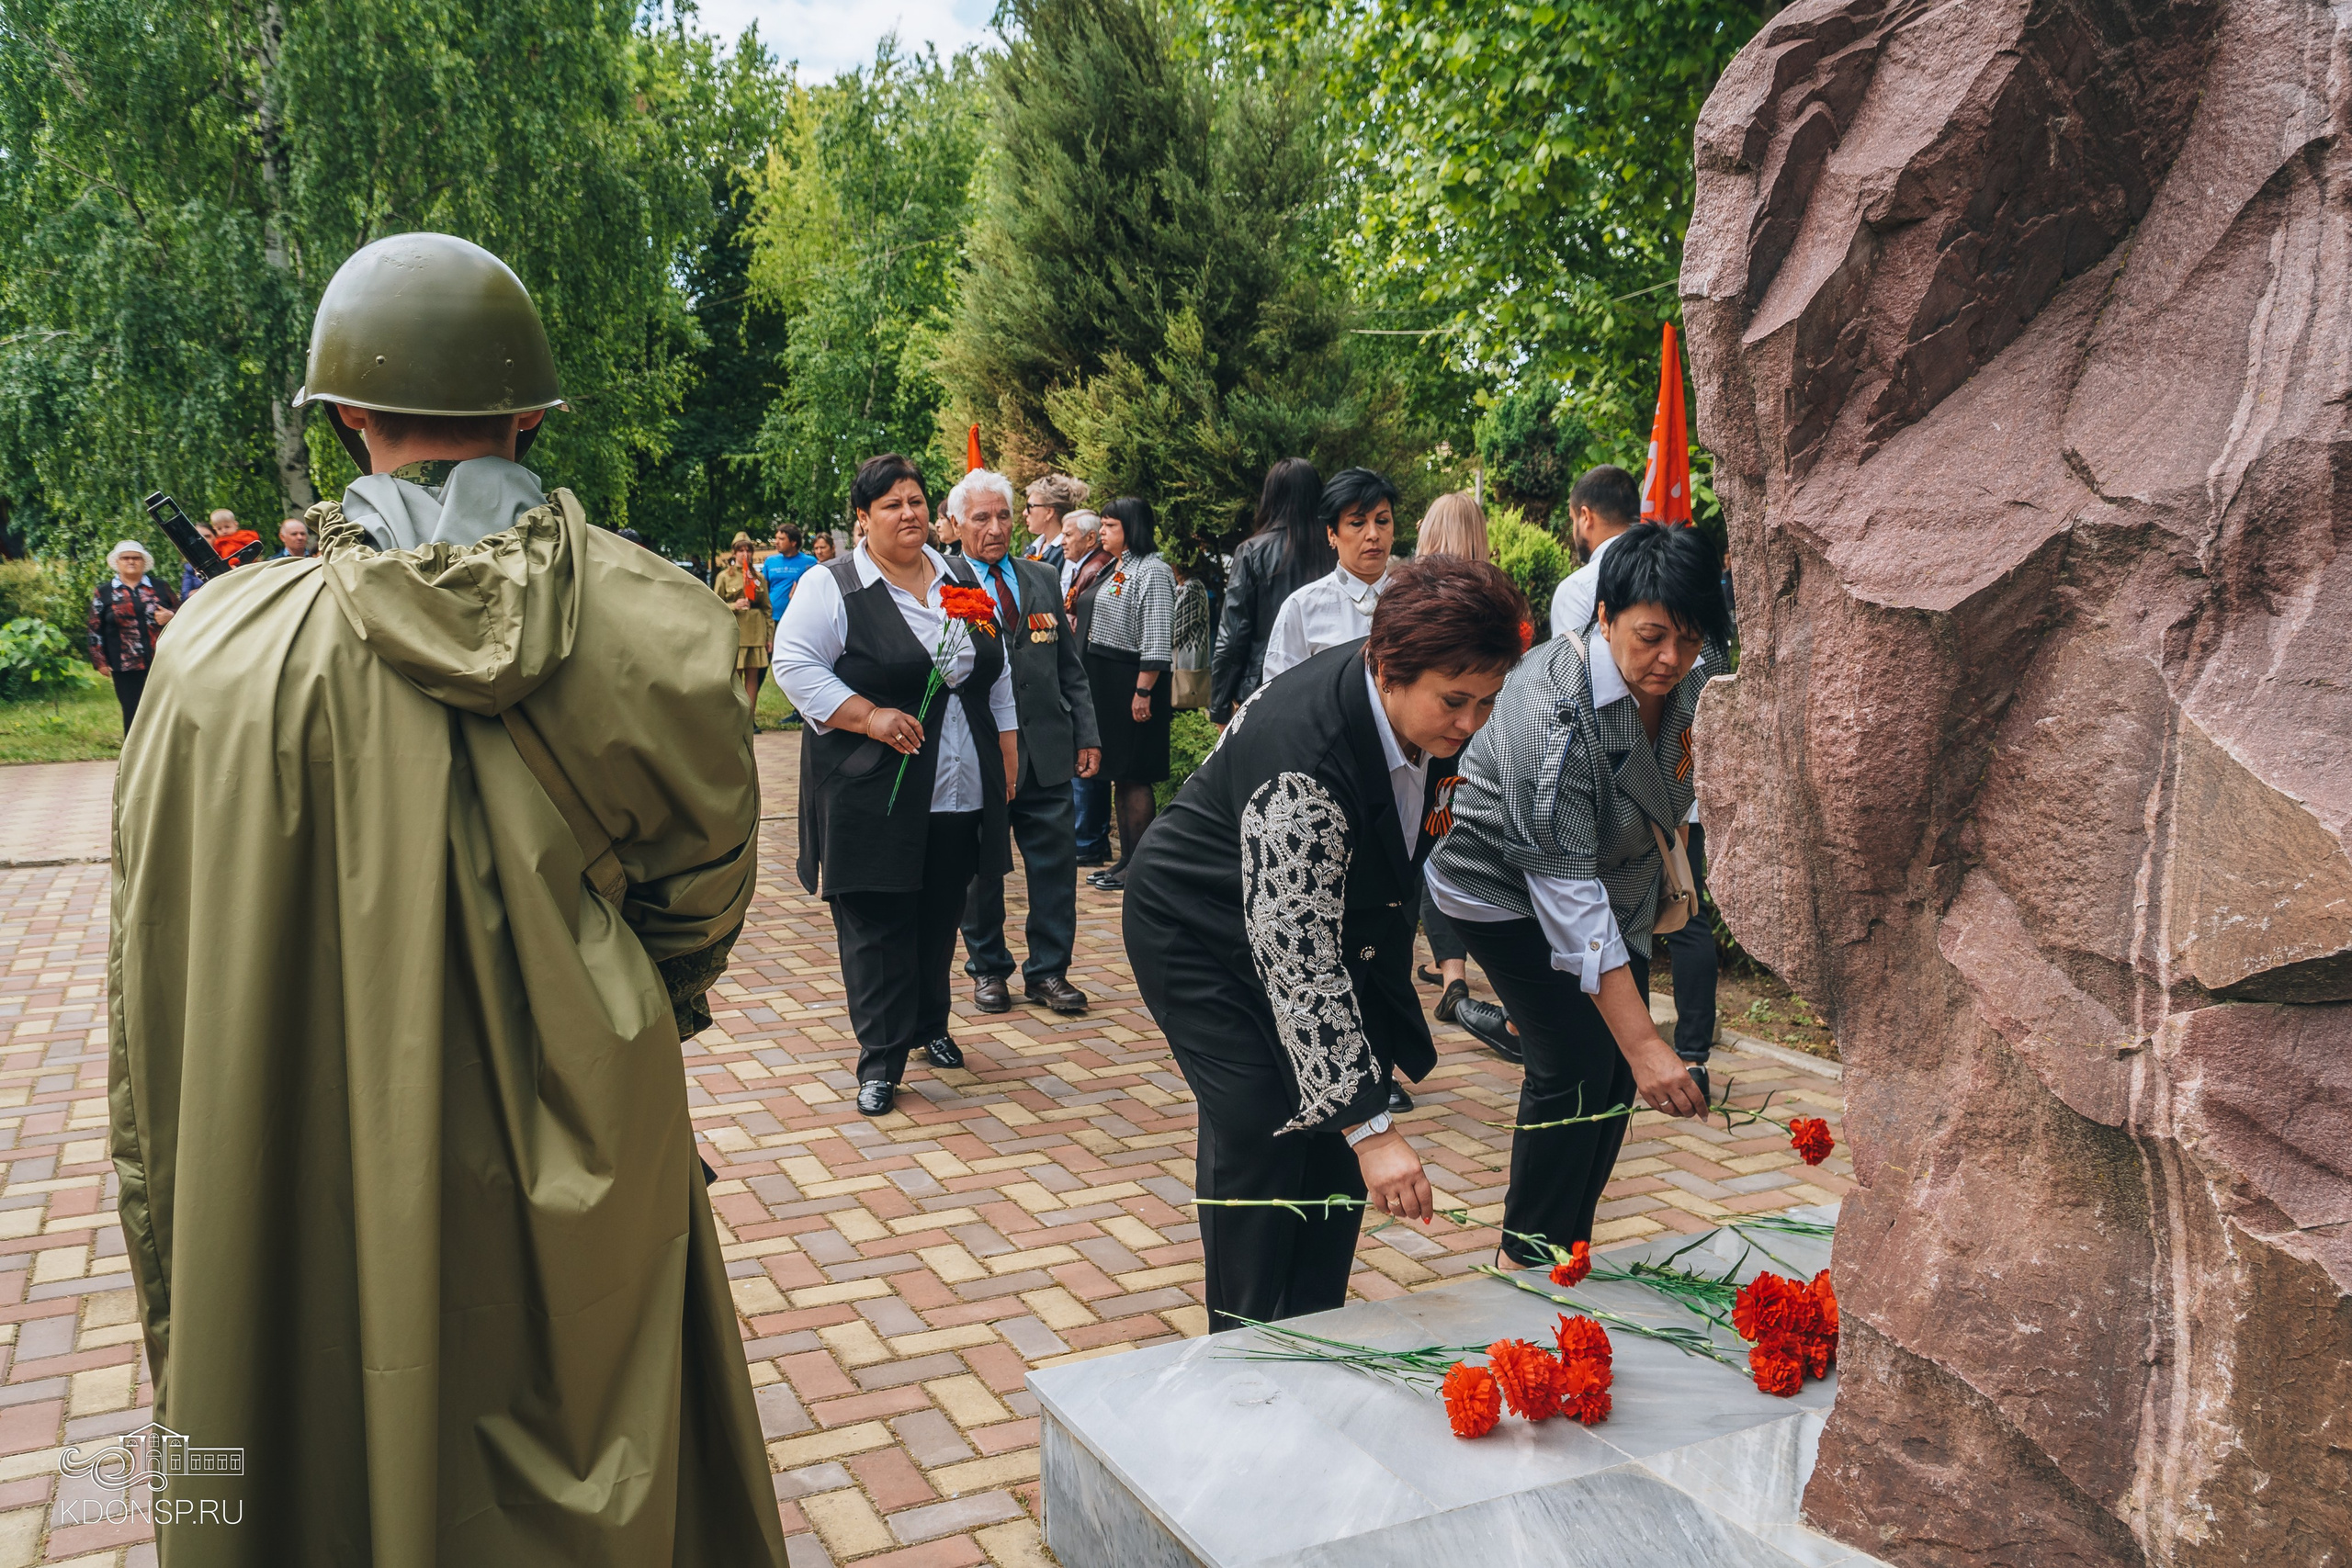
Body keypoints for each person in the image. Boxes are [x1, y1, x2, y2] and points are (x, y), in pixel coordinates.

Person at [109, 231, 785, 1564]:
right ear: (527, 412)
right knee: (600, 1419)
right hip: (580, 1109)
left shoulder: (208, 655)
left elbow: (158, 956)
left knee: (291, 1407)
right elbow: (697, 911)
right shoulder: (664, 627)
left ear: (346, 411)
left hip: (287, 1127)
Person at [1125, 557, 1522, 1329]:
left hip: (1322, 928)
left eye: (1488, 701)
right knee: (1263, 1123)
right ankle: (1242, 1346)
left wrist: (1357, 1119)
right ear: (1388, 666)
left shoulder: (1429, 718)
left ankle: (1313, 1326)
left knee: (1336, 1132)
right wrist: (1372, 1132)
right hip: (1199, 927)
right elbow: (1297, 959)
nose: (1471, 724)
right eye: (1455, 700)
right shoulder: (1303, 759)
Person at [1426, 524, 1730, 1269]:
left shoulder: (1698, 673)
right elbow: (1566, 896)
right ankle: (1524, 1260)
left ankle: (1570, 1242)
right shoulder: (1550, 709)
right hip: (1500, 884)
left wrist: (1641, 1048)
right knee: (1573, 1057)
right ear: (1604, 616)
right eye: (1651, 637)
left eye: (1687, 641)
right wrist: (1646, 1039)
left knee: (1618, 1070)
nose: (1670, 660)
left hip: (1613, 877)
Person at [775, 452, 1018, 1119]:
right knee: (878, 922)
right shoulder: (835, 585)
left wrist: (1008, 746)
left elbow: (991, 668)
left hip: (956, 783)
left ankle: (928, 1023)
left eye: (915, 501)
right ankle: (880, 1060)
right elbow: (792, 664)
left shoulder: (957, 575)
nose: (908, 514)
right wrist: (870, 716)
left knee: (940, 913)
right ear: (863, 518)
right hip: (870, 786)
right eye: (891, 504)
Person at [944, 469, 1100, 1016]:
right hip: (979, 751)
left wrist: (1087, 732)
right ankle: (988, 969)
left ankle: (1049, 972)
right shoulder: (942, 581)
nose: (995, 527)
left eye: (1004, 515)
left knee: (1055, 867)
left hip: (1048, 746)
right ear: (957, 523)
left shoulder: (1041, 578)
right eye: (981, 517)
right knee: (982, 870)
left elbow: (1068, 665)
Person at [1406, 492, 1521, 1064]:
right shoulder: (1502, 599)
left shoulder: (1413, 595)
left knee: (1426, 843)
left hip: (1429, 739)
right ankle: (1491, 983)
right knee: (1470, 847)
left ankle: (1449, 972)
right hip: (1489, 739)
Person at [1080, 497, 1176, 892]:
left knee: (1135, 776)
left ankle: (1140, 866)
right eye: (1102, 525)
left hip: (1134, 682)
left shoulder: (1152, 571)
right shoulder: (1117, 566)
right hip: (1108, 681)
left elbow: (1155, 637)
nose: (1102, 532)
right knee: (1120, 774)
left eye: (1110, 525)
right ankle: (1125, 861)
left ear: (1131, 528)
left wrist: (1143, 691)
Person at [1210, 457, 1329, 725]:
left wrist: (1219, 707)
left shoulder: (1253, 552)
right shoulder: (1335, 550)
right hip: (1326, 689)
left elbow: (1232, 637)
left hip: (1263, 687)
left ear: (1270, 496)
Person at [1260, 467, 1399, 682]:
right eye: (1357, 523)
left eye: (1382, 521)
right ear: (1332, 533)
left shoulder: (1413, 601)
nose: (1373, 534)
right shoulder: (1303, 608)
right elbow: (1279, 692)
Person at [1060, 511, 1114, 866]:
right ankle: (1088, 838)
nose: (1062, 541)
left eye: (1068, 534)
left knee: (1087, 755)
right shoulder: (1089, 566)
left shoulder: (1097, 568)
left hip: (1087, 670)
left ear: (1090, 538)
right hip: (1082, 665)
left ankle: (1089, 839)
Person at [86, 540, 176, 731]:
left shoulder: (160, 587)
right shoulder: (104, 592)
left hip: (162, 661)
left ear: (144, 562)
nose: (131, 561)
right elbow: (95, 627)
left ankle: (165, 757)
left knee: (165, 710)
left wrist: (172, 616)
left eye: (136, 558)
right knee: (132, 710)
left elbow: (184, 612)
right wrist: (100, 660)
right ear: (116, 562)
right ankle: (134, 758)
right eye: (125, 558)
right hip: (125, 664)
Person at [1548, 464, 1639, 639]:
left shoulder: (1578, 589)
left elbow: (1568, 665)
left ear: (1586, 516)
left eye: (1573, 519)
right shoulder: (1673, 569)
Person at [715, 530, 773, 722]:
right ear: (734, 553)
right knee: (735, 677)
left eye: (748, 550)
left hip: (756, 631)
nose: (744, 554)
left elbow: (767, 609)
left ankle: (749, 718)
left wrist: (769, 637)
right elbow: (715, 605)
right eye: (740, 550)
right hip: (736, 631)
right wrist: (733, 605)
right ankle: (735, 718)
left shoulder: (759, 578)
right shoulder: (724, 577)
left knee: (753, 676)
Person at [1023, 473, 1088, 568]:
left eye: (1030, 507)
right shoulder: (1034, 548)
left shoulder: (1068, 554)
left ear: (1049, 512)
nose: (1024, 513)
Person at [763, 522, 816, 609]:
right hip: (772, 617)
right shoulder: (770, 561)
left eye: (781, 539)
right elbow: (764, 589)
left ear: (793, 542)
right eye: (776, 538)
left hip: (798, 614)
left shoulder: (810, 562)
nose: (776, 542)